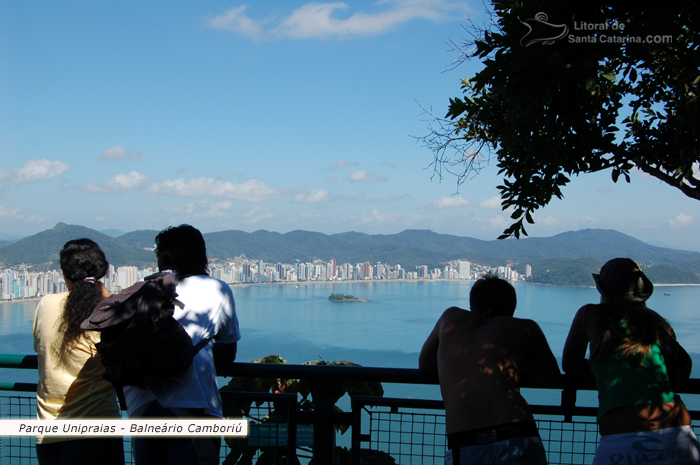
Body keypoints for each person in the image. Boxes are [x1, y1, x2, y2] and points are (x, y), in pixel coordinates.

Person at [563, 258, 699, 465]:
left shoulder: (590, 314)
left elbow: (570, 365)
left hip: (622, 438)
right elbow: (669, 372)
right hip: (679, 433)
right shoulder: (659, 324)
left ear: (604, 290)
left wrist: (606, 371)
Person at [124, 224, 241, 465]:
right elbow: (228, 352)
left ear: (163, 258)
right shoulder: (218, 289)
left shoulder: (143, 290)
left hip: (143, 405)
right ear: (201, 256)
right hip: (193, 403)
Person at [419, 275, 561, 465]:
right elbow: (552, 378)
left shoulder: (450, 317)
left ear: (473, 303)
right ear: (511, 307)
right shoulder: (524, 327)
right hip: (518, 434)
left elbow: (425, 365)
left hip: (465, 441)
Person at [33, 238, 124, 465]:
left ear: (64, 272)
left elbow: (39, 346)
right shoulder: (110, 312)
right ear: (101, 272)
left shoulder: (46, 304)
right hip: (100, 428)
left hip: (51, 433)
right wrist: (107, 294)